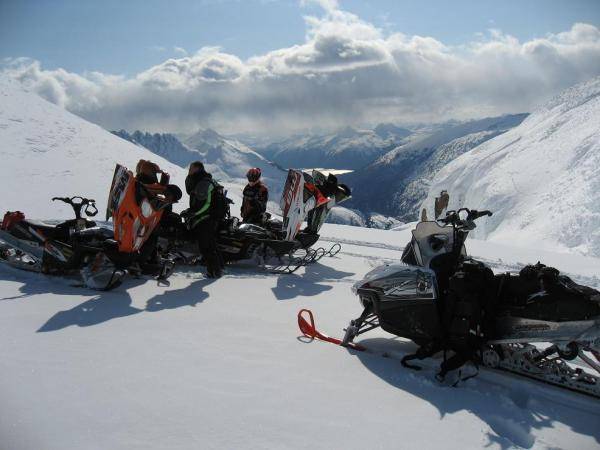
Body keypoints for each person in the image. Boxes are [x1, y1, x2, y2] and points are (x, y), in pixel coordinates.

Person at [185, 161, 224, 278]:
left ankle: (214, 271)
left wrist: (193, 213)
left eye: (191, 169)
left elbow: (205, 204)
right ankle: (218, 268)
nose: (189, 171)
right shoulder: (204, 180)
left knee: (206, 246)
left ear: (197, 169)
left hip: (206, 218)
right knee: (211, 244)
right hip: (210, 218)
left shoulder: (203, 183)